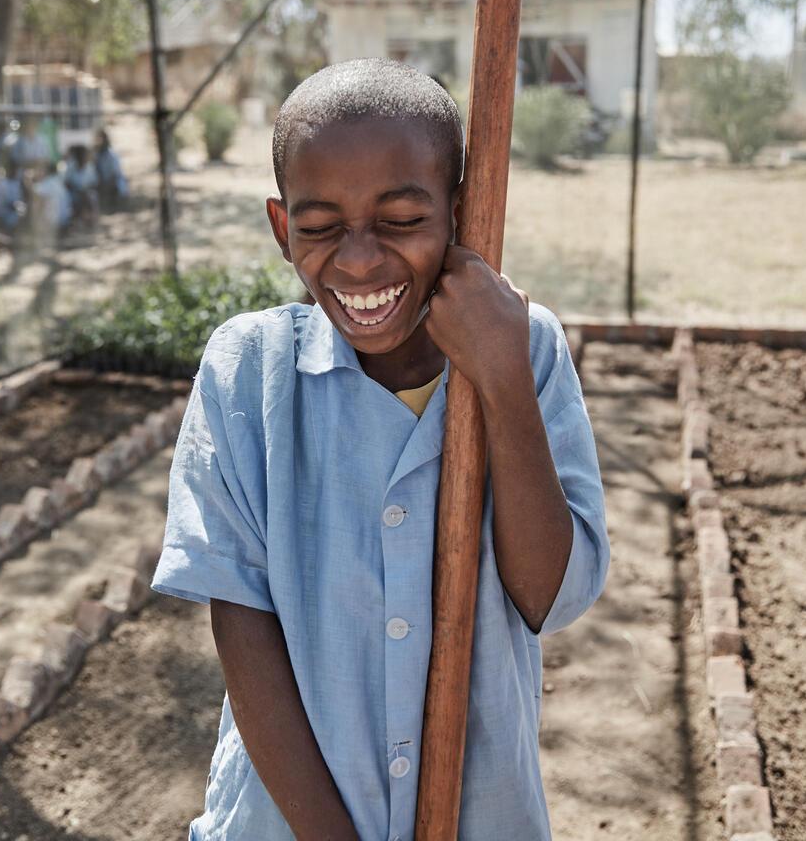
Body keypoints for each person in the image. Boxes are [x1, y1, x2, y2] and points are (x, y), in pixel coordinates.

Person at [151, 58, 608, 840]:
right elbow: (243, 629)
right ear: (280, 225)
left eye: (401, 221)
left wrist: (499, 379)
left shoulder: (524, 350)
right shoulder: (248, 372)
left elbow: (551, 596)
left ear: (462, 213)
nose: (359, 261)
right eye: (321, 227)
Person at [64, 144, 100, 229]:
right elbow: (67, 183)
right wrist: (77, 189)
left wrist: (86, 189)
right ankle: (79, 219)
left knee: (90, 196)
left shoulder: (90, 167)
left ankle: (90, 219)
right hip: (74, 193)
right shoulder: (71, 167)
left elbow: (95, 183)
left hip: (87, 192)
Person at [93, 128, 129, 207]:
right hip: (101, 183)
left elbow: (115, 174)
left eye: (100, 139)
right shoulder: (95, 155)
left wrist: (106, 184)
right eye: (96, 139)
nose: (97, 142)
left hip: (113, 182)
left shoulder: (112, 155)